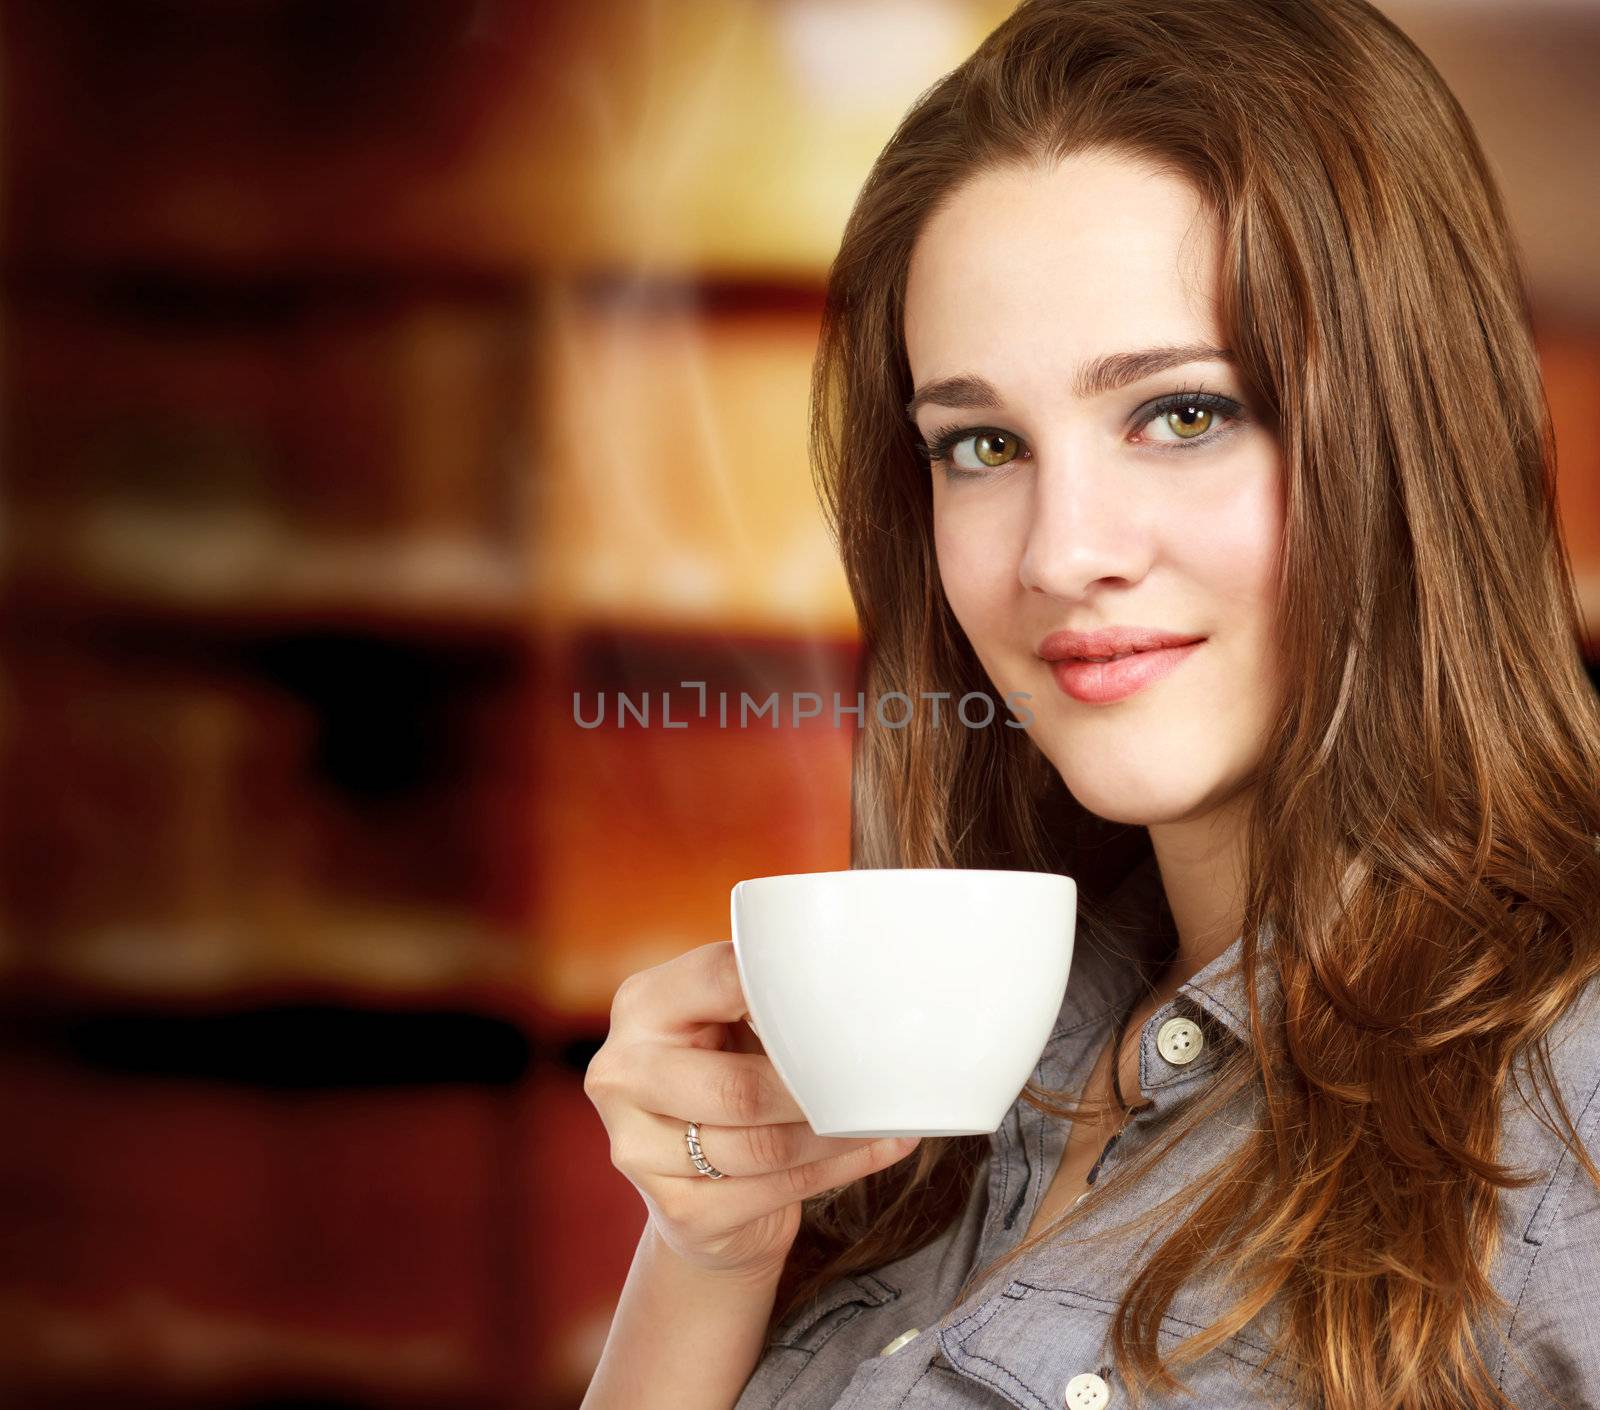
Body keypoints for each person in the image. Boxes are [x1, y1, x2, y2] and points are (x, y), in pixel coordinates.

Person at [579, 1, 1600, 1407]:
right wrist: (709, 1248)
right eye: (983, 443)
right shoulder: (956, 1080)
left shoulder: (1576, 1099)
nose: (1059, 552)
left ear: (1407, 423)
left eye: (1183, 413)